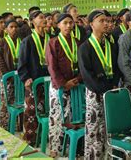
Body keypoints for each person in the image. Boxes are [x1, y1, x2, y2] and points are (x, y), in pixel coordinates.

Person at [79, 9, 121, 159]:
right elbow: (87, 75)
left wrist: (115, 83)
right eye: (101, 21)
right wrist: (104, 89)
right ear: (91, 24)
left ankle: (108, 156)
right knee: (95, 129)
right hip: (95, 93)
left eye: (107, 21)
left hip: (110, 91)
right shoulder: (85, 47)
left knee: (109, 128)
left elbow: (116, 67)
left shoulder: (110, 44)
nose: (106, 23)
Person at [45, 13, 82, 157]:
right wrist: (63, 84)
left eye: (71, 23)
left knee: (72, 116)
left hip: (75, 85)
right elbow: (52, 67)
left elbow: (82, 66)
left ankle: (71, 146)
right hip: (58, 87)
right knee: (57, 117)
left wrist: (77, 80)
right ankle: (54, 148)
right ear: (58, 25)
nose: (68, 26)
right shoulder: (53, 43)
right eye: (65, 23)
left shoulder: (78, 42)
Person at [18, 10, 49, 146]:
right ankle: (30, 140)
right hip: (34, 81)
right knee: (32, 112)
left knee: (47, 110)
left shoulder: (51, 38)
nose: (44, 20)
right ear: (32, 22)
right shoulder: (28, 41)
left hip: (49, 81)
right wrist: (26, 78)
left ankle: (46, 137)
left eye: (45, 17)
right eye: (41, 18)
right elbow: (22, 63)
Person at [0, 19, 20, 131]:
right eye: (11, 27)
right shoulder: (1, 43)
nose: (14, 29)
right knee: (6, 103)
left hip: (20, 79)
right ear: (6, 29)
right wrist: (8, 76)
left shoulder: (22, 41)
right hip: (7, 79)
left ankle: (18, 125)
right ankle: (4, 126)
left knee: (20, 102)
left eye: (16, 27)